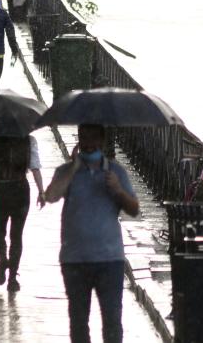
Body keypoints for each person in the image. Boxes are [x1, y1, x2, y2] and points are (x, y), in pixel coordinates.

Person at [45, 125, 139, 343]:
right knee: (78, 322)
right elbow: (50, 196)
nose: (88, 143)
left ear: (102, 141)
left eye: (93, 138)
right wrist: (73, 168)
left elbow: (134, 209)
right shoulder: (65, 171)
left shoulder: (116, 172)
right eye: (83, 138)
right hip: (74, 259)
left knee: (112, 322)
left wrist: (118, 190)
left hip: (109, 260)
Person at [0, 135, 45, 292]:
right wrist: (41, 191)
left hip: (0, 188)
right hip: (21, 189)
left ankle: (3, 259)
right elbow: (35, 167)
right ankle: (12, 279)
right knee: (16, 235)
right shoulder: (29, 140)